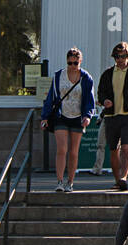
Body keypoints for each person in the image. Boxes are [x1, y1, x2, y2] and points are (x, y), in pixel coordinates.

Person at [40, 48, 95, 192]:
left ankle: (70, 182)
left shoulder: (86, 78)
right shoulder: (59, 75)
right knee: (62, 149)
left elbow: (90, 99)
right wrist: (45, 117)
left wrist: (88, 116)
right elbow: (51, 97)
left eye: (75, 63)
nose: (72, 66)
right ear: (66, 62)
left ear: (80, 62)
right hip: (61, 116)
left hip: (78, 117)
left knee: (74, 151)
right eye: (70, 63)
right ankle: (59, 181)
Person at [98, 42, 128, 190]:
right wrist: (104, 101)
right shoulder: (107, 74)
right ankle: (117, 180)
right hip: (112, 116)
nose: (120, 59)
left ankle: (124, 177)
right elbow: (101, 92)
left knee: (126, 148)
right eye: (118, 56)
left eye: (124, 56)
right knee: (113, 149)